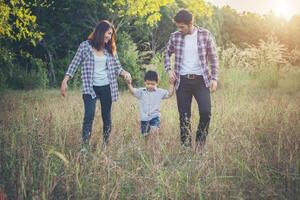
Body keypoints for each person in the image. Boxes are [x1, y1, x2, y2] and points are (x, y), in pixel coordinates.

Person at [60, 20, 131, 150]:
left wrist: (125, 73)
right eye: (108, 33)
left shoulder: (110, 49)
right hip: (90, 87)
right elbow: (74, 64)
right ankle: (84, 147)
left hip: (107, 87)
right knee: (89, 115)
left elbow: (117, 68)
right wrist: (65, 80)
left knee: (106, 117)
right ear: (100, 31)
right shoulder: (85, 46)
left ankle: (105, 145)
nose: (109, 37)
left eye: (111, 35)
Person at [164, 9, 219, 150]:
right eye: (178, 26)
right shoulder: (175, 36)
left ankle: (199, 144)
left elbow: (213, 58)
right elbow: (166, 53)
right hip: (182, 82)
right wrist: (169, 69)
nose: (179, 29)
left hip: (202, 81)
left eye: (182, 26)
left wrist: (214, 78)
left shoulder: (205, 35)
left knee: (206, 112)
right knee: (184, 116)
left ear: (190, 23)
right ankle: (186, 148)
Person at [126, 70, 174, 160]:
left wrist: (171, 84)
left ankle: (156, 152)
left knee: (154, 132)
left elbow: (169, 94)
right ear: (144, 82)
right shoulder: (141, 92)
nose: (150, 86)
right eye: (148, 84)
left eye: (152, 84)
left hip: (154, 117)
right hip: (144, 118)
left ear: (157, 83)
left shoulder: (159, 92)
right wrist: (129, 84)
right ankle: (148, 152)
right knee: (146, 137)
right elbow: (133, 91)